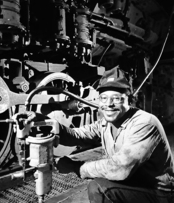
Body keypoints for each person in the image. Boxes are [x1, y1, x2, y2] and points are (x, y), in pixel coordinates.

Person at [13, 66, 174, 203]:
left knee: (98, 187)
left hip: (158, 193)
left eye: (116, 98)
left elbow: (120, 169)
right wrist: (46, 120)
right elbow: (77, 135)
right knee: (101, 180)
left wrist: (76, 167)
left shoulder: (145, 123)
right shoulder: (106, 123)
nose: (109, 104)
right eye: (104, 98)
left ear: (130, 100)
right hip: (134, 182)